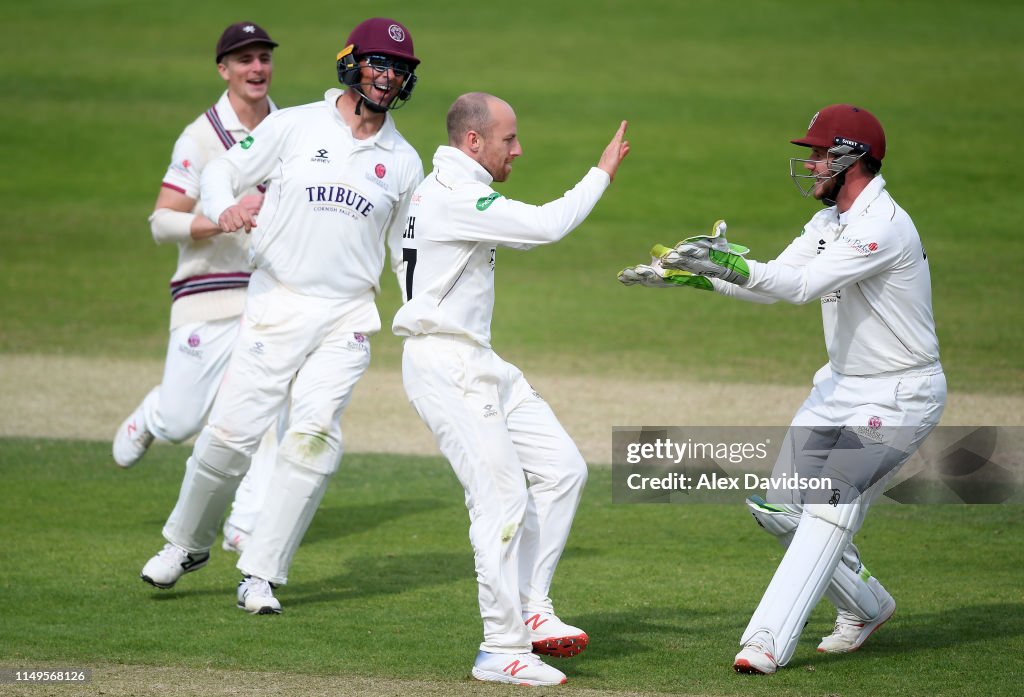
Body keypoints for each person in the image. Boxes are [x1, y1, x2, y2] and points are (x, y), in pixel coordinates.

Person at [620, 104, 946, 674]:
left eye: (822, 153)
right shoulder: (827, 224)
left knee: (828, 500)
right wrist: (702, 276)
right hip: (839, 388)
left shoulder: (881, 227)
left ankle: (766, 641)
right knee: (776, 506)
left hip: (899, 395)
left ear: (855, 159)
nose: (813, 163)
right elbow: (772, 281)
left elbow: (799, 287)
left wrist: (729, 264)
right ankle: (867, 606)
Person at [138, 17, 424, 616]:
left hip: (346, 316)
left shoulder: (403, 160)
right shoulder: (294, 124)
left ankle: (261, 573)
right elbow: (221, 172)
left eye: (398, 68)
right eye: (378, 62)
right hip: (276, 302)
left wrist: (421, 316)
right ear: (351, 62)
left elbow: (406, 251)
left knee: (314, 441)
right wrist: (225, 209)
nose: (387, 75)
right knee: (228, 442)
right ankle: (184, 544)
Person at [393, 93, 630, 686]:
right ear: (474, 141)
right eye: (509, 139)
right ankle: (500, 648)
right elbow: (548, 226)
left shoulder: (439, 188)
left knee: (563, 469)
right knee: (499, 501)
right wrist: (601, 173)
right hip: (446, 363)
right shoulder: (456, 195)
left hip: (478, 359)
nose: (517, 149)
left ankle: (529, 606)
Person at [112, 21, 282, 554]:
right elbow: (162, 222)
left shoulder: (289, 128)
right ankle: (155, 414)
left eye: (263, 58)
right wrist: (221, 220)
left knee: (271, 410)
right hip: (206, 291)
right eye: (244, 59)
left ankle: (245, 524)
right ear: (223, 69)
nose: (256, 68)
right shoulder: (201, 136)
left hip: (267, 293)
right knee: (185, 418)